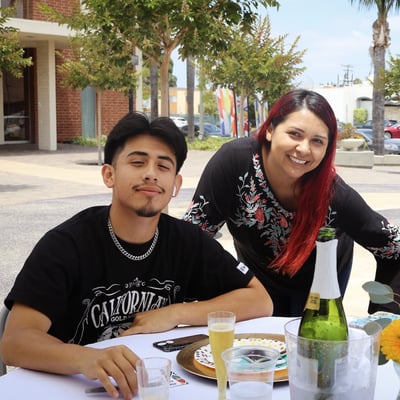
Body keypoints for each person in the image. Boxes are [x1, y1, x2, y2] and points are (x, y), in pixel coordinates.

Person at [0, 112, 273, 400]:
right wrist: (85, 359)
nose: (151, 173)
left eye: (163, 165)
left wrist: (174, 314)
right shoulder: (67, 244)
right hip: (74, 387)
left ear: (176, 185)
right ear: (109, 174)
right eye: (138, 162)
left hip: (148, 385)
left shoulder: (187, 241)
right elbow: (15, 341)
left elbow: (259, 300)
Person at [183, 89, 400, 317]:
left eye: (317, 141)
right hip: (256, 278)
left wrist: (385, 322)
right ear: (270, 130)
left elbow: (393, 247)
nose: (304, 149)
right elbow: (192, 238)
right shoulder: (235, 163)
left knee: (310, 346)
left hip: (319, 281)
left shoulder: (333, 194)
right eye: (295, 134)